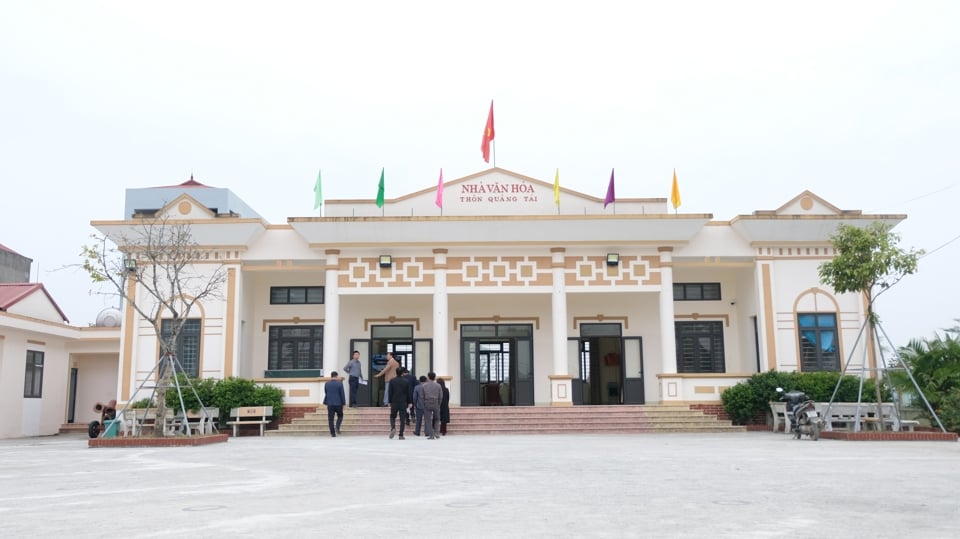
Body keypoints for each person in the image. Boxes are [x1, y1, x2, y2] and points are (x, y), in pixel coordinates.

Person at [387, 371, 411, 440]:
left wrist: (389, 401)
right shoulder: (406, 381)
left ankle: (393, 427)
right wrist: (409, 402)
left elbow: (390, 392)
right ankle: (401, 434)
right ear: (402, 373)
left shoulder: (392, 380)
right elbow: (408, 392)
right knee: (402, 419)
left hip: (394, 402)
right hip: (403, 402)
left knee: (392, 416)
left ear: (396, 373)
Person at [323, 371, 346, 437]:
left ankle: (333, 434)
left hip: (330, 403)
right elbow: (342, 394)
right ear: (336, 376)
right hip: (338, 403)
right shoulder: (340, 384)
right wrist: (343, 403)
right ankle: (337, 427)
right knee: (340, 416)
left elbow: (326, 392)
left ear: (331, 376)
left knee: (330, 419)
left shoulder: (327, 384)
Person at [421, 371, 443, 440]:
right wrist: (439, 403)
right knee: (437, 418)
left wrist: (423, 403)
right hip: (436, 402)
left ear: (428, 377)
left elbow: (422, 396)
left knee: (428, 420)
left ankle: (431, 434)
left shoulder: (424, 385)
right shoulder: (438, 385)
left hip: (427, 402)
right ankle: (436, 432)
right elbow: (441, 396)